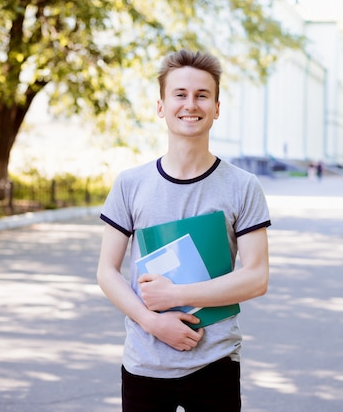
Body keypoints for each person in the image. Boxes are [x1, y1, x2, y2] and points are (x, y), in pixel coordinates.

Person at [96, 49, 271, 412]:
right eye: (180, 94)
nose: (190, 104)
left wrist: (176, 293)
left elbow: (257, 278)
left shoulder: (243, 185)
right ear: (161, 106)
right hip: (145, 363)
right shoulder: (130, 184)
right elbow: (106, 271)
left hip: (216, 362)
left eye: (202, 95)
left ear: (217, 108)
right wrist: (151, 321)